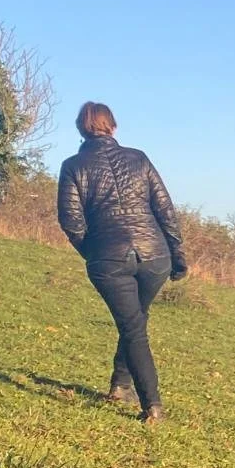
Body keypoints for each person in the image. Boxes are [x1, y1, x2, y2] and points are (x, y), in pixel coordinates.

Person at [56, 102, 188, 423]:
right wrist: (177, 253)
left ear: (80, 130)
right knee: (135, 322)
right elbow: (165, 210)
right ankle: (121, 384)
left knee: (133, 326)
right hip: (155, 255)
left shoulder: (73, 166)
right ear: (113, 127)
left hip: (109, 259)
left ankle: (152, 405)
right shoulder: (138, 158)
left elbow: (71, 221)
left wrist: (95, 252)